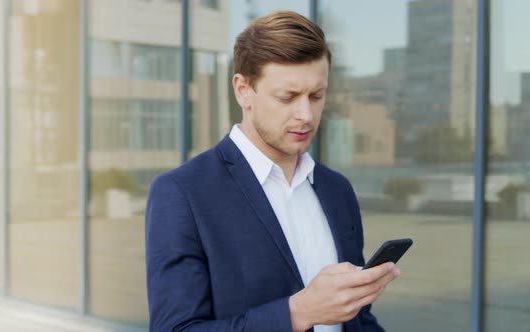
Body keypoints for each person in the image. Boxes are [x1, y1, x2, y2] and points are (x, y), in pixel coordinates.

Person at [145, 10, 400, 332]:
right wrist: (298, 313)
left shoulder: (337, 190)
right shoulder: (183, 193)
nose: (306, 114)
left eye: (317, 96)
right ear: (243, 90)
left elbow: (359, 320)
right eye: (287, 97)